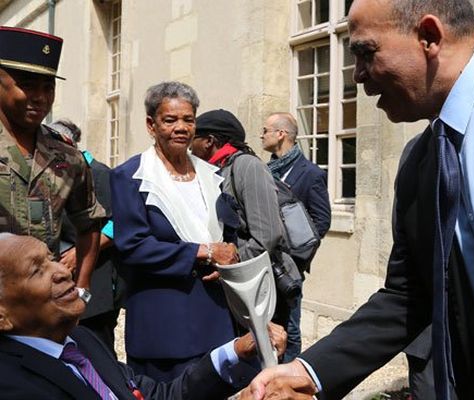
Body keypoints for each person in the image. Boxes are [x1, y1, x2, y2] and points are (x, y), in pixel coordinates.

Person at [242, 0, 474, 399]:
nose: (357, 75)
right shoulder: (419, 163)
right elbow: (408, 295)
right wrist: (312, 369)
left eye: (364, 52)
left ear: (429, 37)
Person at [0, 233, 288, 400]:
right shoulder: (13, 384)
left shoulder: (81, 341)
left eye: (52, 258)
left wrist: (236, 351)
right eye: (37, 270)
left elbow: (158, 395)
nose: (63, 271)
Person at [110, 82, 239, 382]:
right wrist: (203, 251)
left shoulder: (211, 175)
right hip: (164, 322)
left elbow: (228, 231)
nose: (181, 128)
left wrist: (229, 255)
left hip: (214, 314)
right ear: (151, 125)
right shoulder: (131, 177)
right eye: (170, 120)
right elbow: (133, 245)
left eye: (188, 119)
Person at [0, 27, 104, 291]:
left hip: (42, 302)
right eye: (27, 86)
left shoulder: (67, 156)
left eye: (48, 87)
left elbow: (90, 224)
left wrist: (81, 289)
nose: (40, 97)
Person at [191, 109, 302, 333]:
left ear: (209, 141)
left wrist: (231, 261)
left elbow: (268, 235)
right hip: (236, 281)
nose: (189, 148)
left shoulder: (248, 167)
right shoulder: (215, 170)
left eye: (194, 140)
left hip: (259, 282)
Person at [50, 119, 126, 355]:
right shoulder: (59, 175)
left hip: (99, 278)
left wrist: (77, 253)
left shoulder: (102, 174)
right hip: (67, 277)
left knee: (97, 349)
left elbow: (121, 223)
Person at [261, 112, 331, 361]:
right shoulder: (263, 170)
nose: (261, 135)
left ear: (281, 134)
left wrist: (297, 255)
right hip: (264, 261)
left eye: (265, 130)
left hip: (290, 267)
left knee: (290, 325)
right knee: (266, 323)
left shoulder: (310, 173)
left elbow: (322, 220)